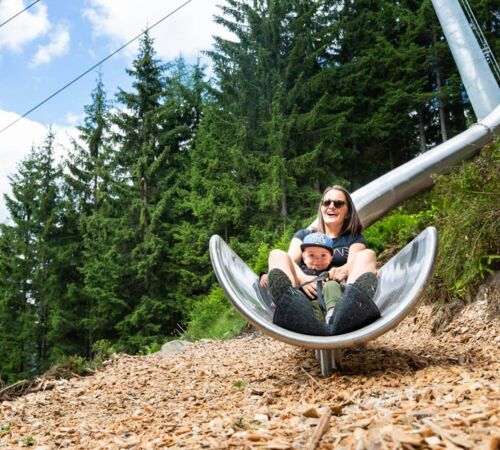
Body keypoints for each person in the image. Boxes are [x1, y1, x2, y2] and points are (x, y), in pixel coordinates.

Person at [266, 185, 380, 335]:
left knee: (368, 255)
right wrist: (304, 278)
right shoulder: (304, 235)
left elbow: (354, 261)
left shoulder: (354, 239)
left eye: (338, 204)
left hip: (338, 295)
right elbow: (289, 260)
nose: (331, 206)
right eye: (327, 202)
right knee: (276, 254)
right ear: (321, 207)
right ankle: (290, 303)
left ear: (347, 213)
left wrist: (341, 270)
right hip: (305, 295)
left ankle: (352, 305)